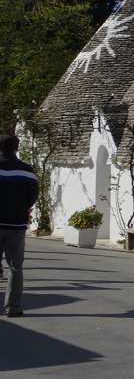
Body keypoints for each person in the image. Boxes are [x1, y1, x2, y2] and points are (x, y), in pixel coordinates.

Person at [0, 134, 37, 317]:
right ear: (16, 148)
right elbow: (33, 197)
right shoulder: (27, 171)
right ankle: (13, 307)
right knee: (15, 267)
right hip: (16, 224)